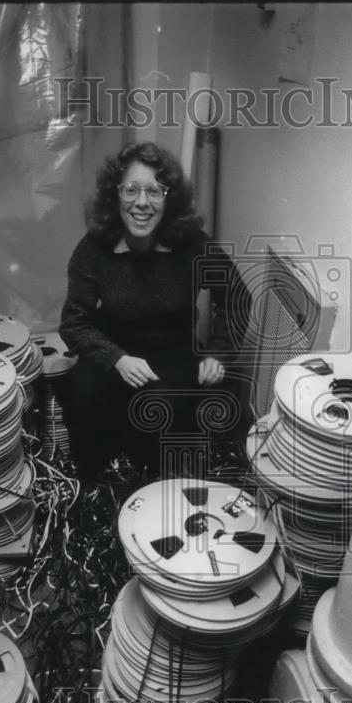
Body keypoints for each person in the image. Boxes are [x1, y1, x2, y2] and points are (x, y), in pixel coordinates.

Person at [59, 141, 251, 482]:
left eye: (154, 191)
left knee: (157, 419)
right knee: (81, 394)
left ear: (169, 198)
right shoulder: (94, 248)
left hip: (172, 350)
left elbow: (237, 297)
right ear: (115, 194)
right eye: (131, 190)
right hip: (115, 349)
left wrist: (219, 353)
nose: (142, 203)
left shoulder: (193, 244)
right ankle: (95, 485)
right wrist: (116, 357)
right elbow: (74, 322)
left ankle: (152, 481)